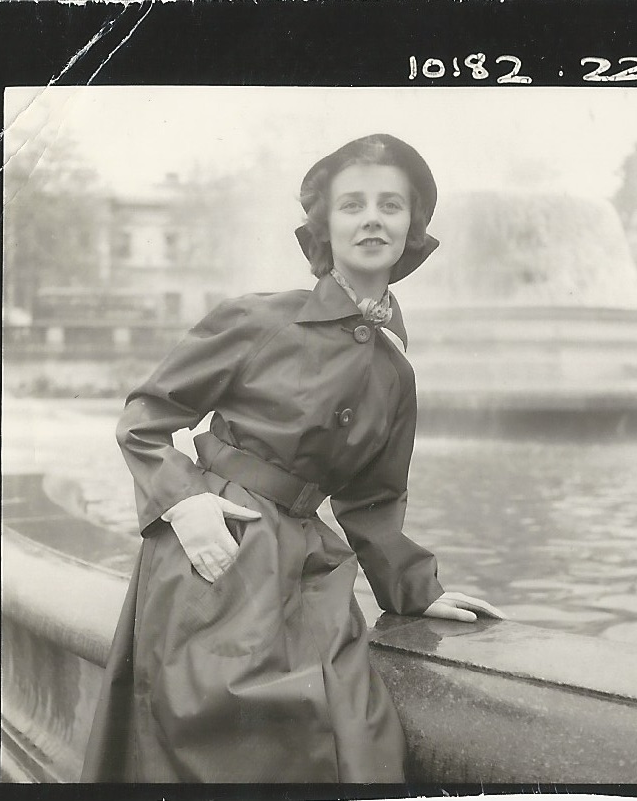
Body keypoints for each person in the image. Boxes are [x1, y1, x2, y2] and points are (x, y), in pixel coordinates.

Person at [82, 134, 505, 782]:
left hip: (312, 568)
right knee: (223, 737)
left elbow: (372, 502)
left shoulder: (396, 371)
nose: (372, 218)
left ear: (412, 228)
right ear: (324, 229)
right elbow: (143, 421)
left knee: (360, 738)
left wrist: (418, 593)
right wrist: (187, 503)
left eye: (391, 206)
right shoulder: (257, 321)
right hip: (217, 550)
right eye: (353, 205)